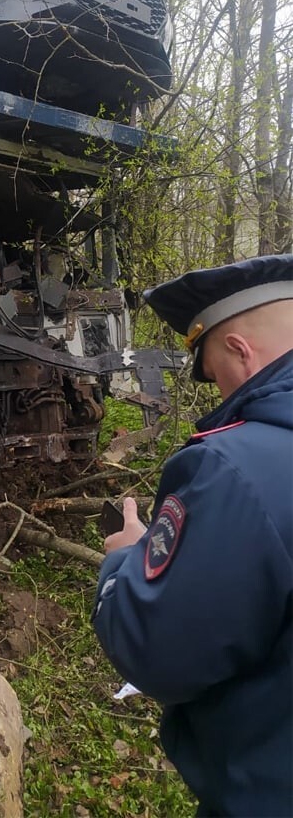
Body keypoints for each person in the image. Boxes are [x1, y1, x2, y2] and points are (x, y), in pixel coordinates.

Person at [92, 254, 293, 818]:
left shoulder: (235, 467)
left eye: (210, 371)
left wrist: (125, 558)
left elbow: (158, 650)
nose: (216, 389)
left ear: (238, 349)